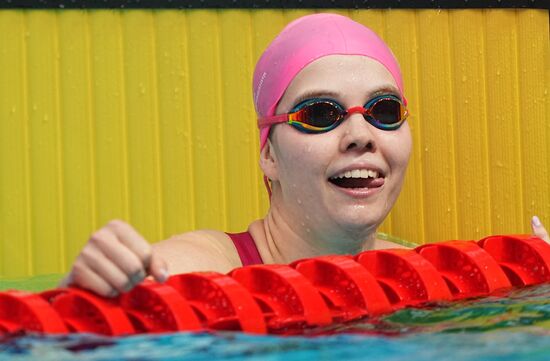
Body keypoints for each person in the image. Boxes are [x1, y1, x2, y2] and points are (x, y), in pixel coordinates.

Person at [60, 13, 550, 298]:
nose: (361, 133)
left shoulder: (419, 277)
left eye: (383, 110)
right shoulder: (199, 269)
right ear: (268, 154)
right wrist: (83, 297)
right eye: (320, 113)